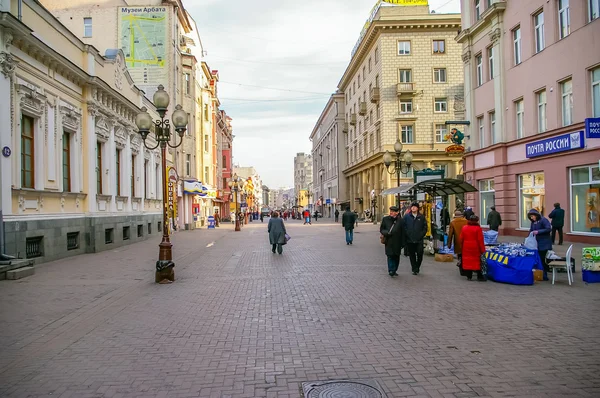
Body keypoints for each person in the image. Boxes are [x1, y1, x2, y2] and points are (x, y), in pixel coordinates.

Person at [401, 202, 428, 275]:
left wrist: (421, 235)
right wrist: (407, 234)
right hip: (410, 239)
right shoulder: (406, 217)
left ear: (417, 208)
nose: (413, 208)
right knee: (412, 255)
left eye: (415, 207)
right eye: (412, 207)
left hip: (419, 239)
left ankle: (417, 266)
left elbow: (425, 228)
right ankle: (414, 268)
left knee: (420, 253)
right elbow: (404, 227)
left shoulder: (421, 217)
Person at [459, 215, 486, 281]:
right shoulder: (478, 229)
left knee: (467, 261)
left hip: (466, 247)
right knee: (476, 261)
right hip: (475, 247)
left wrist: (461, 247)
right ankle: (479, 276)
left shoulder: (464, 228)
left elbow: (461, 239)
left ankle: (469, 276)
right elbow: (480, 240)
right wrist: (483, 250)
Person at [380, 206, 405, 277]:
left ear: (397, 213)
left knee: (396, 257)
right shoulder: (385, 219)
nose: (391, 212)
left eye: (393, 211)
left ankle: (394, 269)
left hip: (397, 242)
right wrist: (386, 233)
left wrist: (403, 243)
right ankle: (391, 270)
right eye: (391, 211)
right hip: (388, 241)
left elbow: (403, 232)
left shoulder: (401, 221)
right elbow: (382, 229)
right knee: (390, 256)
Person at [528, 209, 552, 281]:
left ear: (536, 215)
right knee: (539, 259)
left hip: (544, 243)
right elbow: (531, 231)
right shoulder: (533, 222)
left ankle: (544, 275)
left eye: (532, 216)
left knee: (542, 259)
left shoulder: (543, 220)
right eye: (530, 217)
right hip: (537, 243)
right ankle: (540, 274)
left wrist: (538, 231)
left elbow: (548, 229)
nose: (532, 218)